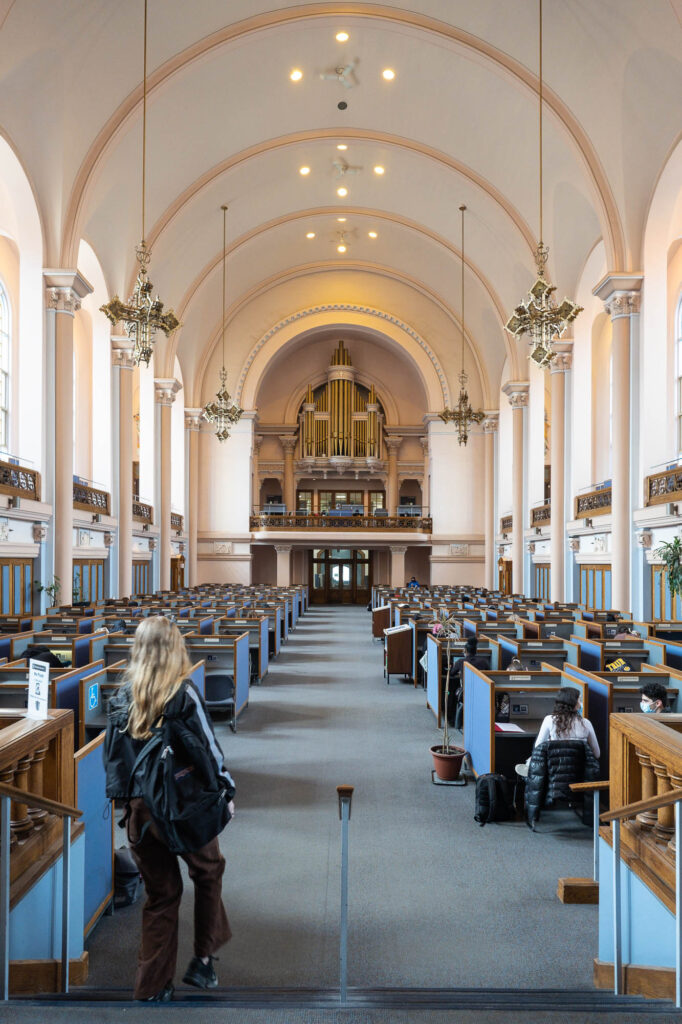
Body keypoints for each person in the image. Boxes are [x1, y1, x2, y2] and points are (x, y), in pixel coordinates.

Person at [104, 616, 234, 1002]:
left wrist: (125, 805)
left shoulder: (121, 696)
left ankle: (151, 985)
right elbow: (208, 750)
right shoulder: (182, 693)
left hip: (142, 813)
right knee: (209, 871)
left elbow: (114, 761)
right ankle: (204, 959)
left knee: (161, 895)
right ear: (174, 648)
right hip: (184, 805)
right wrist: (226, 789)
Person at [516, 686, 599, 779]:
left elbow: (538, 748)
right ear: (574, 703)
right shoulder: (586, 723)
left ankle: (529, 767)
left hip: (554, 775)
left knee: (537, 755)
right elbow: (597, 753)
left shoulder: (549, 720)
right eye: (579, 700)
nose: (581, 703)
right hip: (579, 774)